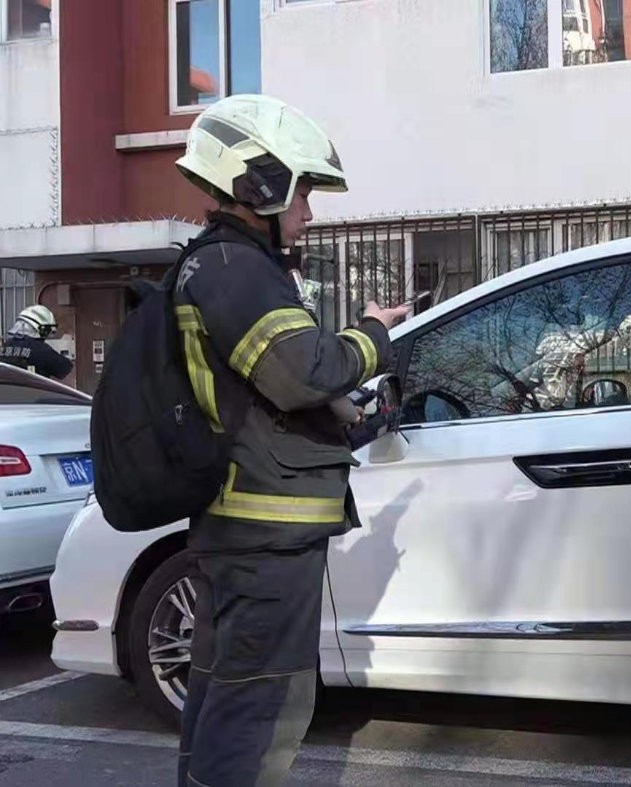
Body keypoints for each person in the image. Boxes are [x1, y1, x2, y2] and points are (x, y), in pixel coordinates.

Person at [170, 94, 412, 787]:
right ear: (261, 184)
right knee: (261, 710)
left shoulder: (222, 265)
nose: (308, 209)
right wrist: (372, 333)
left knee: (224, 699)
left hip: (245, 528)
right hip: (264, 536)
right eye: (302, 191)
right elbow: (302, 371)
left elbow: (270, 391)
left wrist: (351, 420)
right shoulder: (235, 270)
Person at [0, 305, 73, 381]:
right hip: (33, 391)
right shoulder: (39, 349)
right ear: (36, 326)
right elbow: (64, 368)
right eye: (46, 330)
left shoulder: (5, 346)